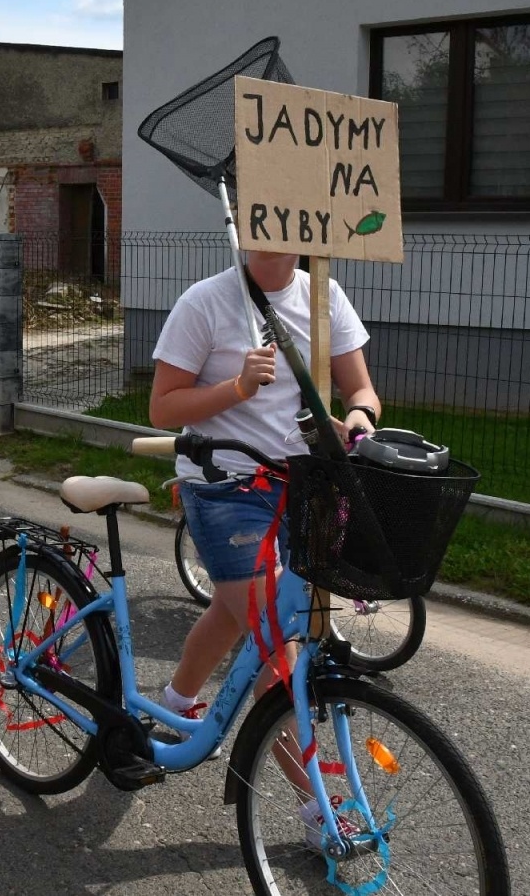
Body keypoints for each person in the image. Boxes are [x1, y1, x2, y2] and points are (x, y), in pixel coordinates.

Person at [148, 250, 380, 828]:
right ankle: (319, 810)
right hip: (225, 487)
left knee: (239, 616)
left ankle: (174, 707)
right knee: (279, 645)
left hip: (302, 488)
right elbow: (161, 407)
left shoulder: (324, 296)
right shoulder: (206, 301)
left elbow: (362, 393)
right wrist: (236, 388)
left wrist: (356, 421)